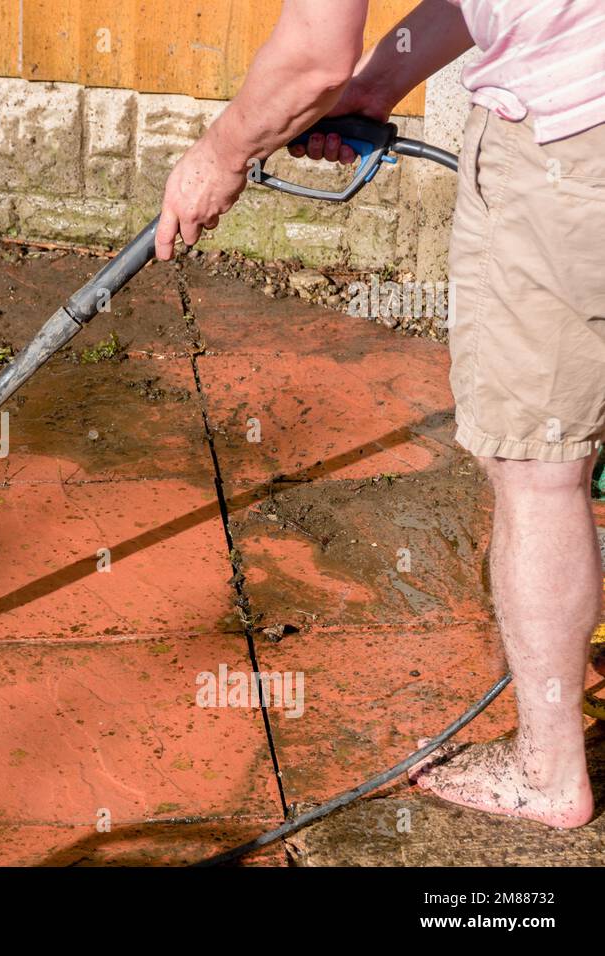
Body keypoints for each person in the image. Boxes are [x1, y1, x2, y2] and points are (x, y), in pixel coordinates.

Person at [158, 0, 605, 828]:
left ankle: (548, 775)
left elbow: (313, 53)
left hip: (574, 141)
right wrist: (379, 84)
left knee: (539, 468)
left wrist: (217, 158)